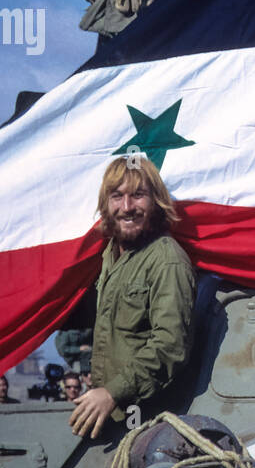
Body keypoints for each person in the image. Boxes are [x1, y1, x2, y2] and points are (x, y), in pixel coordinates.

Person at [70, 157, 197, 441]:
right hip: (111, 419)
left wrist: (113, 392)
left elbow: (170, 347)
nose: (127, 208)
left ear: (156, 202)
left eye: (138, 196)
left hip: (148, 426)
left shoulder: (166, 259)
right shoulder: (111, 256)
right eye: (117, 197)